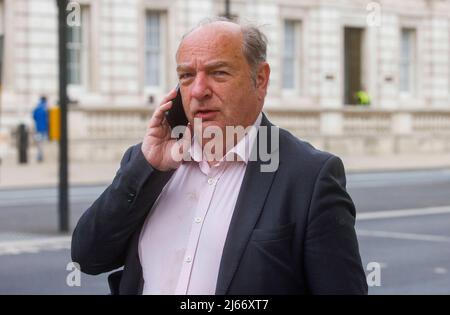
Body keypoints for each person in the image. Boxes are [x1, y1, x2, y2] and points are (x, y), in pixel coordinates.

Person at [71, 18, 367, 295]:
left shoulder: (310, 175)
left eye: (218, 73)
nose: (199, 90)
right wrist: (148, 168)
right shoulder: (149, 161)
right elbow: (89, 257)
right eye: (186, 76)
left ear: (260, 79)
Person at [32, 96, 49, 162]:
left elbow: (34, 117)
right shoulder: (45, 108)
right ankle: (40, 157)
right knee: (43, 143)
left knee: (39, 144)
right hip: (44, 129)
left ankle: (39, 156)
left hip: (38, 128)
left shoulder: (37, 108)